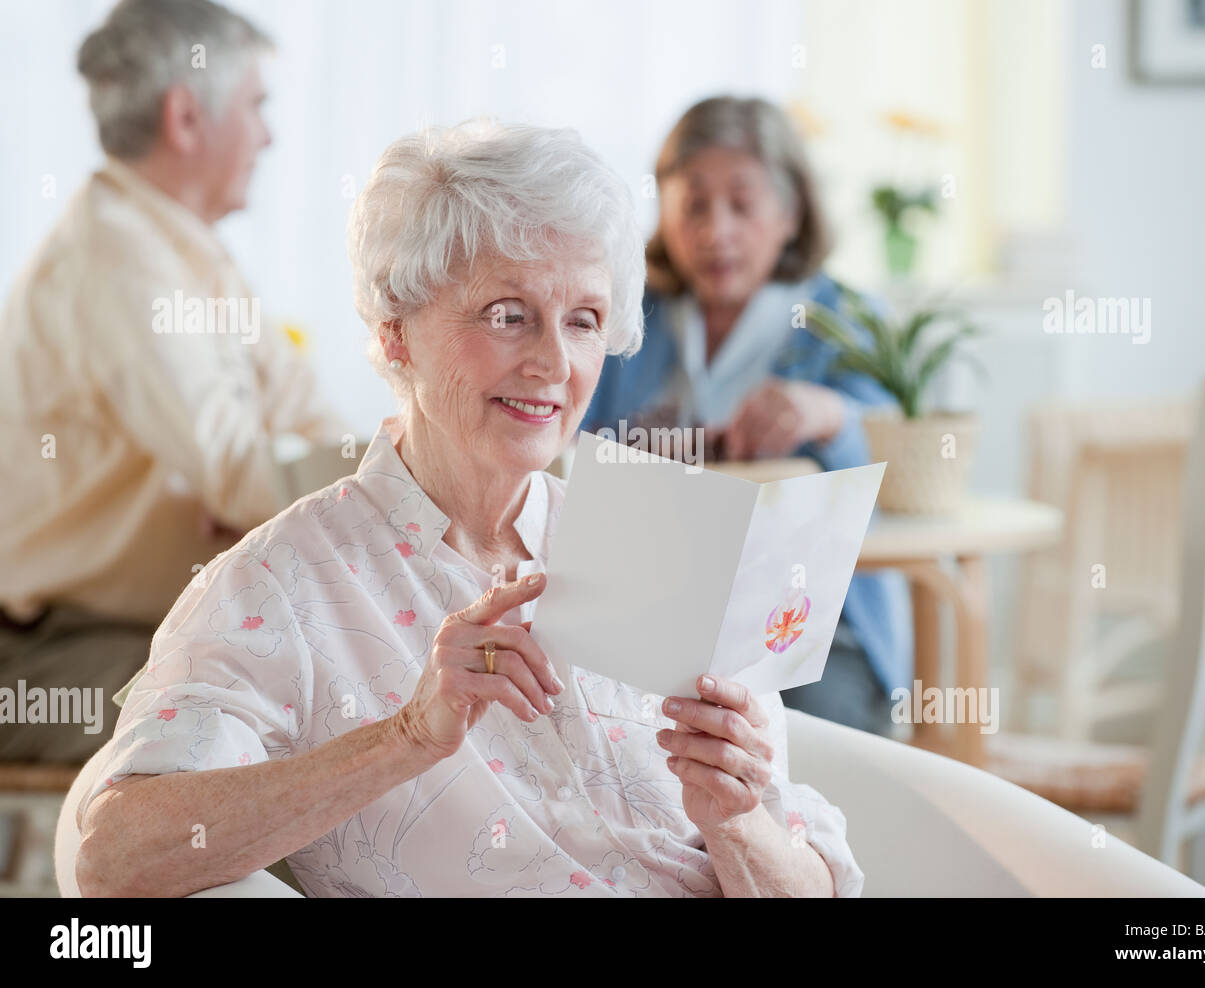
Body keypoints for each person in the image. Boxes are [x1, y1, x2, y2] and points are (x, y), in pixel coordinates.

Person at [73, 121, 864, 898]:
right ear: (395, 334)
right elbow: (114, 855)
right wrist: (407, 737)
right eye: (507, 314)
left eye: (583, 320)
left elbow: (813, 877)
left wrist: (736, 823)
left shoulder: (666, 542)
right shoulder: (282, 586)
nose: (554, 362)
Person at [0, 0, 345, 763]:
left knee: (335, 689)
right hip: (57, 653)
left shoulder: (186, 248)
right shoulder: (118, 261)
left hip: (153, 625)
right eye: (257, 106)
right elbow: (241, 474)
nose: (269, 134)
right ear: (186, 118)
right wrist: (275, 503)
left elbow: (306, 419)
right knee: (296, 721)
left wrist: (376, 493)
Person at [581, 96, 912, 736]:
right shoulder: (627, 316)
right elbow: (567, 450)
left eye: (742, 203)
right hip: (650, 618)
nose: (715, 231)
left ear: (790, 214)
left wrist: (828, 414)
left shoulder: (844, 319)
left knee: (808, 764)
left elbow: (904, 458)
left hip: (812, 635)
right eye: (694, 204)